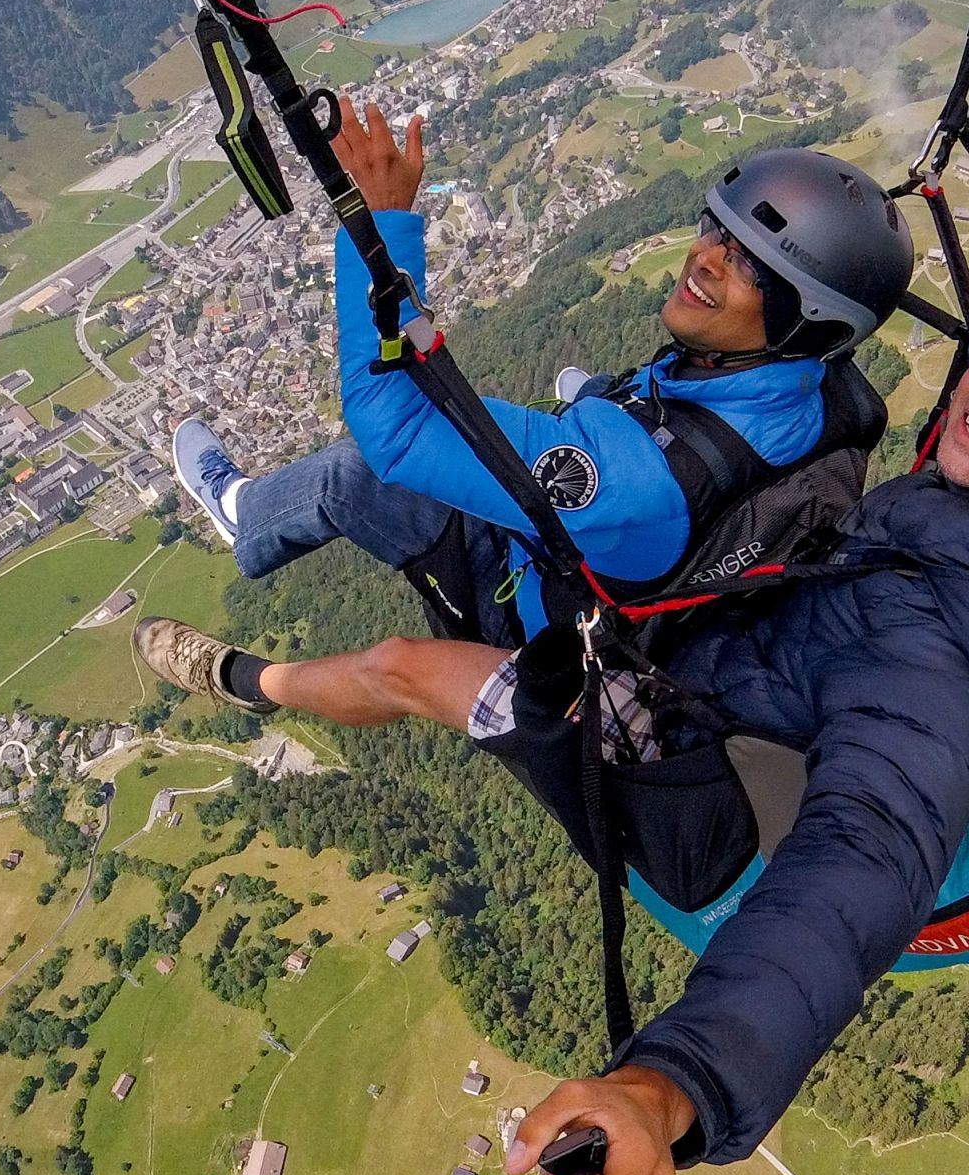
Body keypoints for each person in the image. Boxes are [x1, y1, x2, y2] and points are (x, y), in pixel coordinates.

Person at [147, 135, 969, 1175]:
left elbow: (854, 871)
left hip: (694, 817)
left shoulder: (929, 666)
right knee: (409, 486)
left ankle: (246, 680)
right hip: (729, 663)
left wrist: (671, 1088)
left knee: (407, 669)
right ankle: (282, 546)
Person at [135, 100, 916, 720]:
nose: (706, 258)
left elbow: (399, 425)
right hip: (661, 546)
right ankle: (589, 408)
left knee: (356, 473)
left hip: (540, 612)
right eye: (718, 229)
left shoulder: (631, 482)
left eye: (749, 264)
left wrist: (379, 223)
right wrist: (601, 413)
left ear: (809, 322)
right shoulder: (814, 387)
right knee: (583, 396)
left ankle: (247, 522)